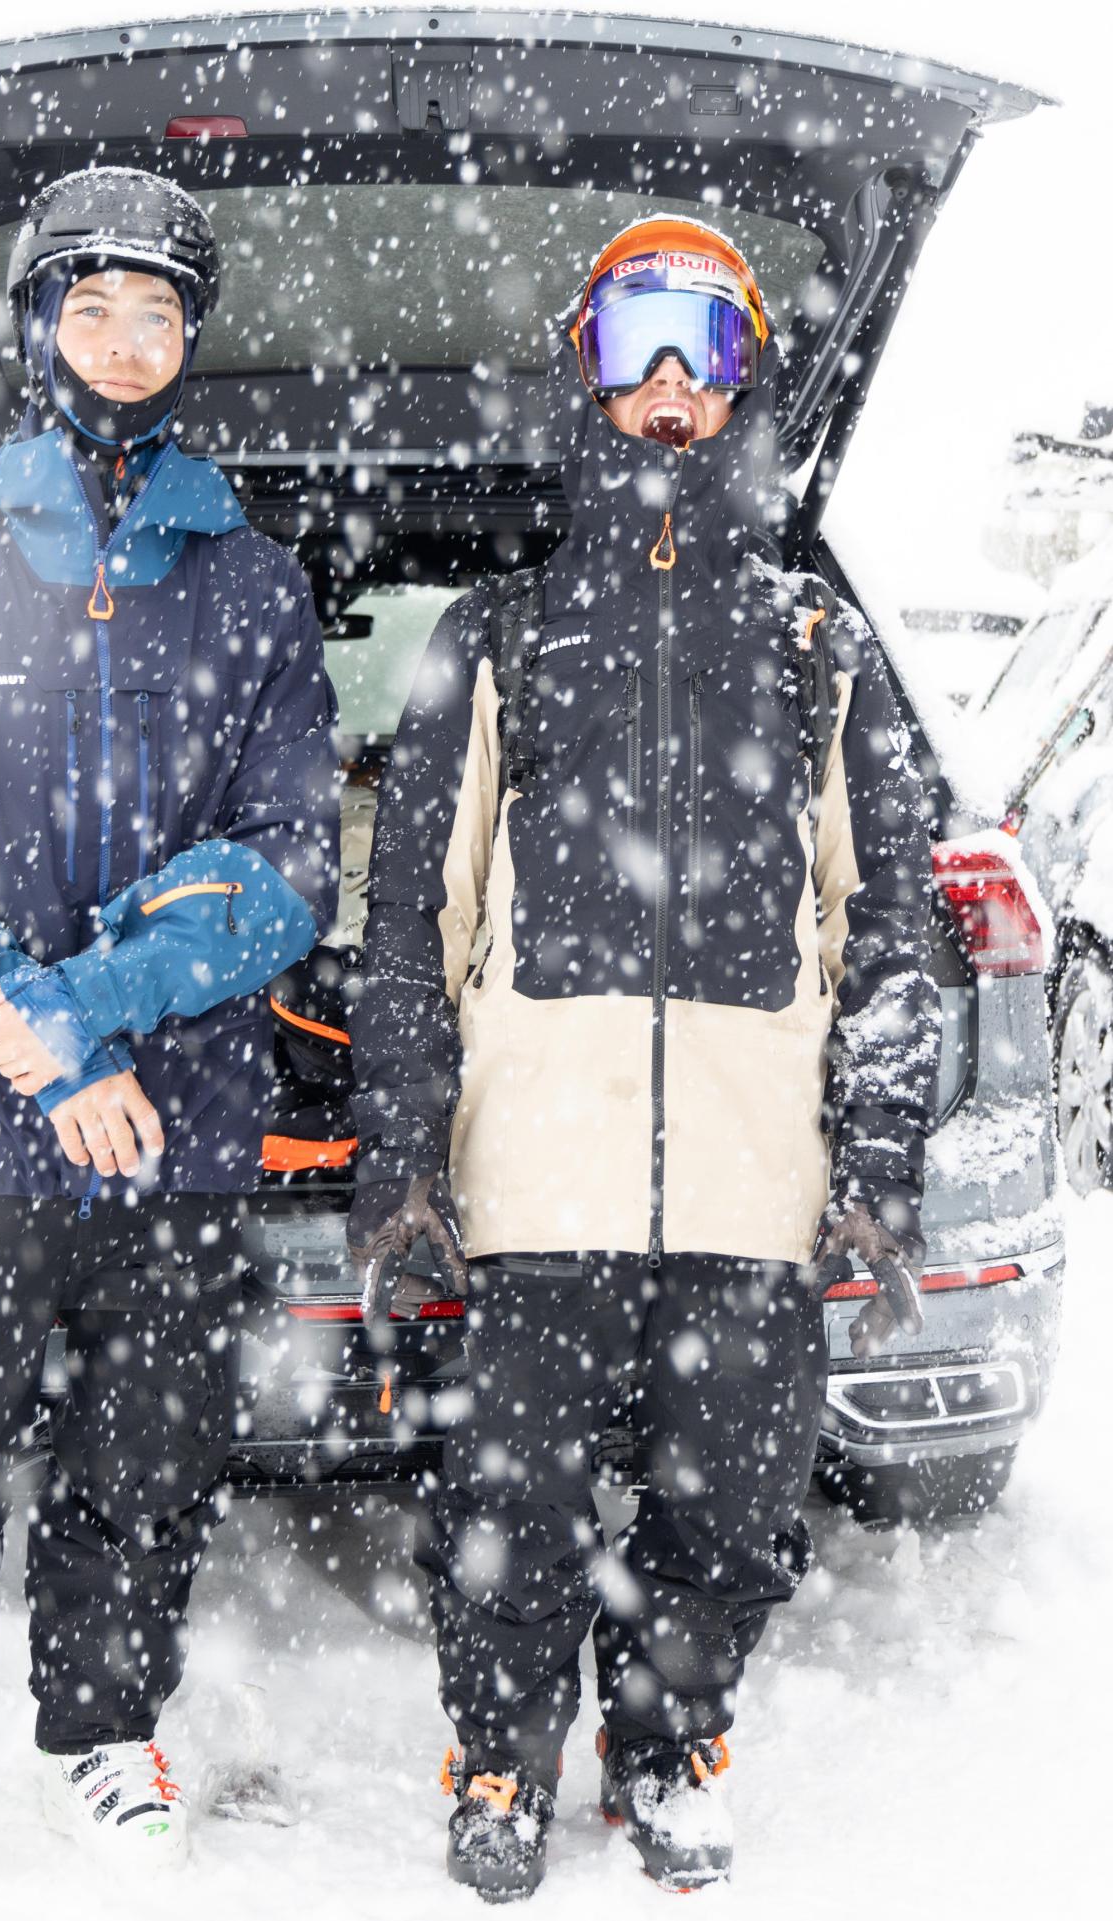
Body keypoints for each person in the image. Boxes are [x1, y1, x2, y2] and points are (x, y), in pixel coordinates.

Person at [346, 217, 938, 1900]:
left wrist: (877, 1155)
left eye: (704, 349)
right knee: (514, 1509)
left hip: (756, 1186)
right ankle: (498, 1758)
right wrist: (399, 1145)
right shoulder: (501, 637)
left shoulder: (821, 648)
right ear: (585, 376)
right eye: (633, 349)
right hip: (540, 1173)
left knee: (735, 1511)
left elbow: (891, 927)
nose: (668, 389)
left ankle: (668, 1749)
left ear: (747, 381)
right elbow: (417, 926)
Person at [0, 166, 339, 1916]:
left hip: (173, 1139)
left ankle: (99, 1729)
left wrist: (87, 1006)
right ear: (36, 324)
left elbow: (286, 868)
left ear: (192, 343)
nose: (125, 346)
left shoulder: (254, 588)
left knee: (145, 1450)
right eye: (93, 308)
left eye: (160, 315)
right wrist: (42, 1046)